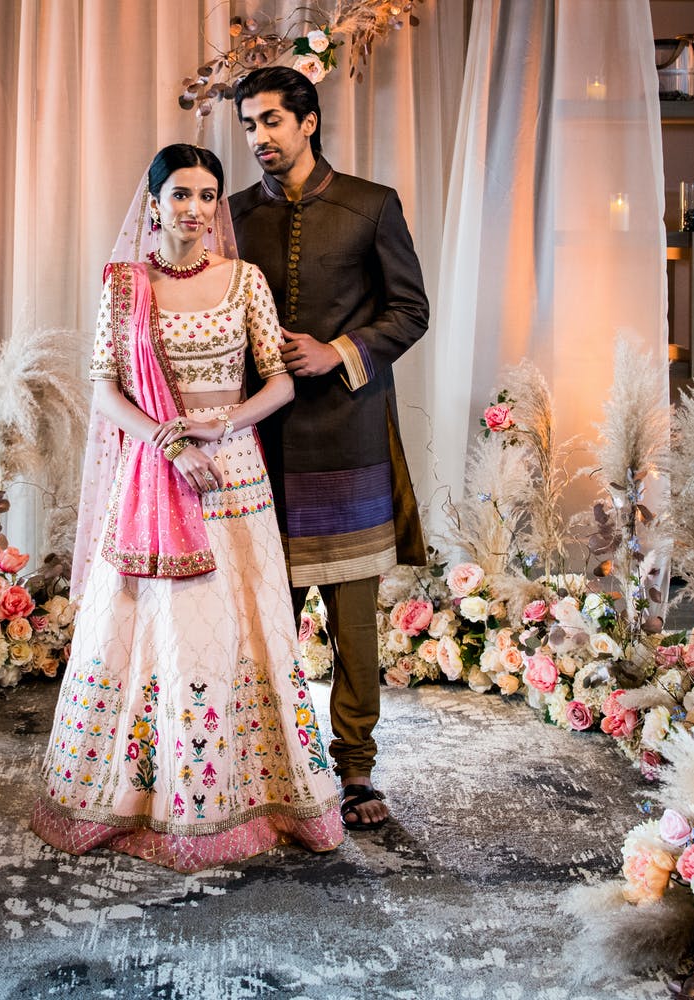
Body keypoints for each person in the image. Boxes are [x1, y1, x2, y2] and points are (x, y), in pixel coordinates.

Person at [29, 143, 343, 873]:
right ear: (154, 203)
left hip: (232, 475)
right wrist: (171, 444)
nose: (196, 210)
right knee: (152, 632)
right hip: (155, 469)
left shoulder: (245, 281)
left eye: (208, 196)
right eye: (181, 195)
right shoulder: (124, 287)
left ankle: (251, 796)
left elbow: (281, 383)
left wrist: (222, 425)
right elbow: (106, 390)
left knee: (241, 628)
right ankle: (145, 795)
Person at [229, 67, 429, 832]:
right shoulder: (235, 213)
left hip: (347, 433)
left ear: (309, 122)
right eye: (250, 125)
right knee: (264, 610)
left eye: (273, 121)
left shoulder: (370, 205)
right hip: (260, 440)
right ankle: (271, 758)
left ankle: (355, 769)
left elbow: (411, 311)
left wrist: (339, 349)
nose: (260, 139)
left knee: (351, 616)